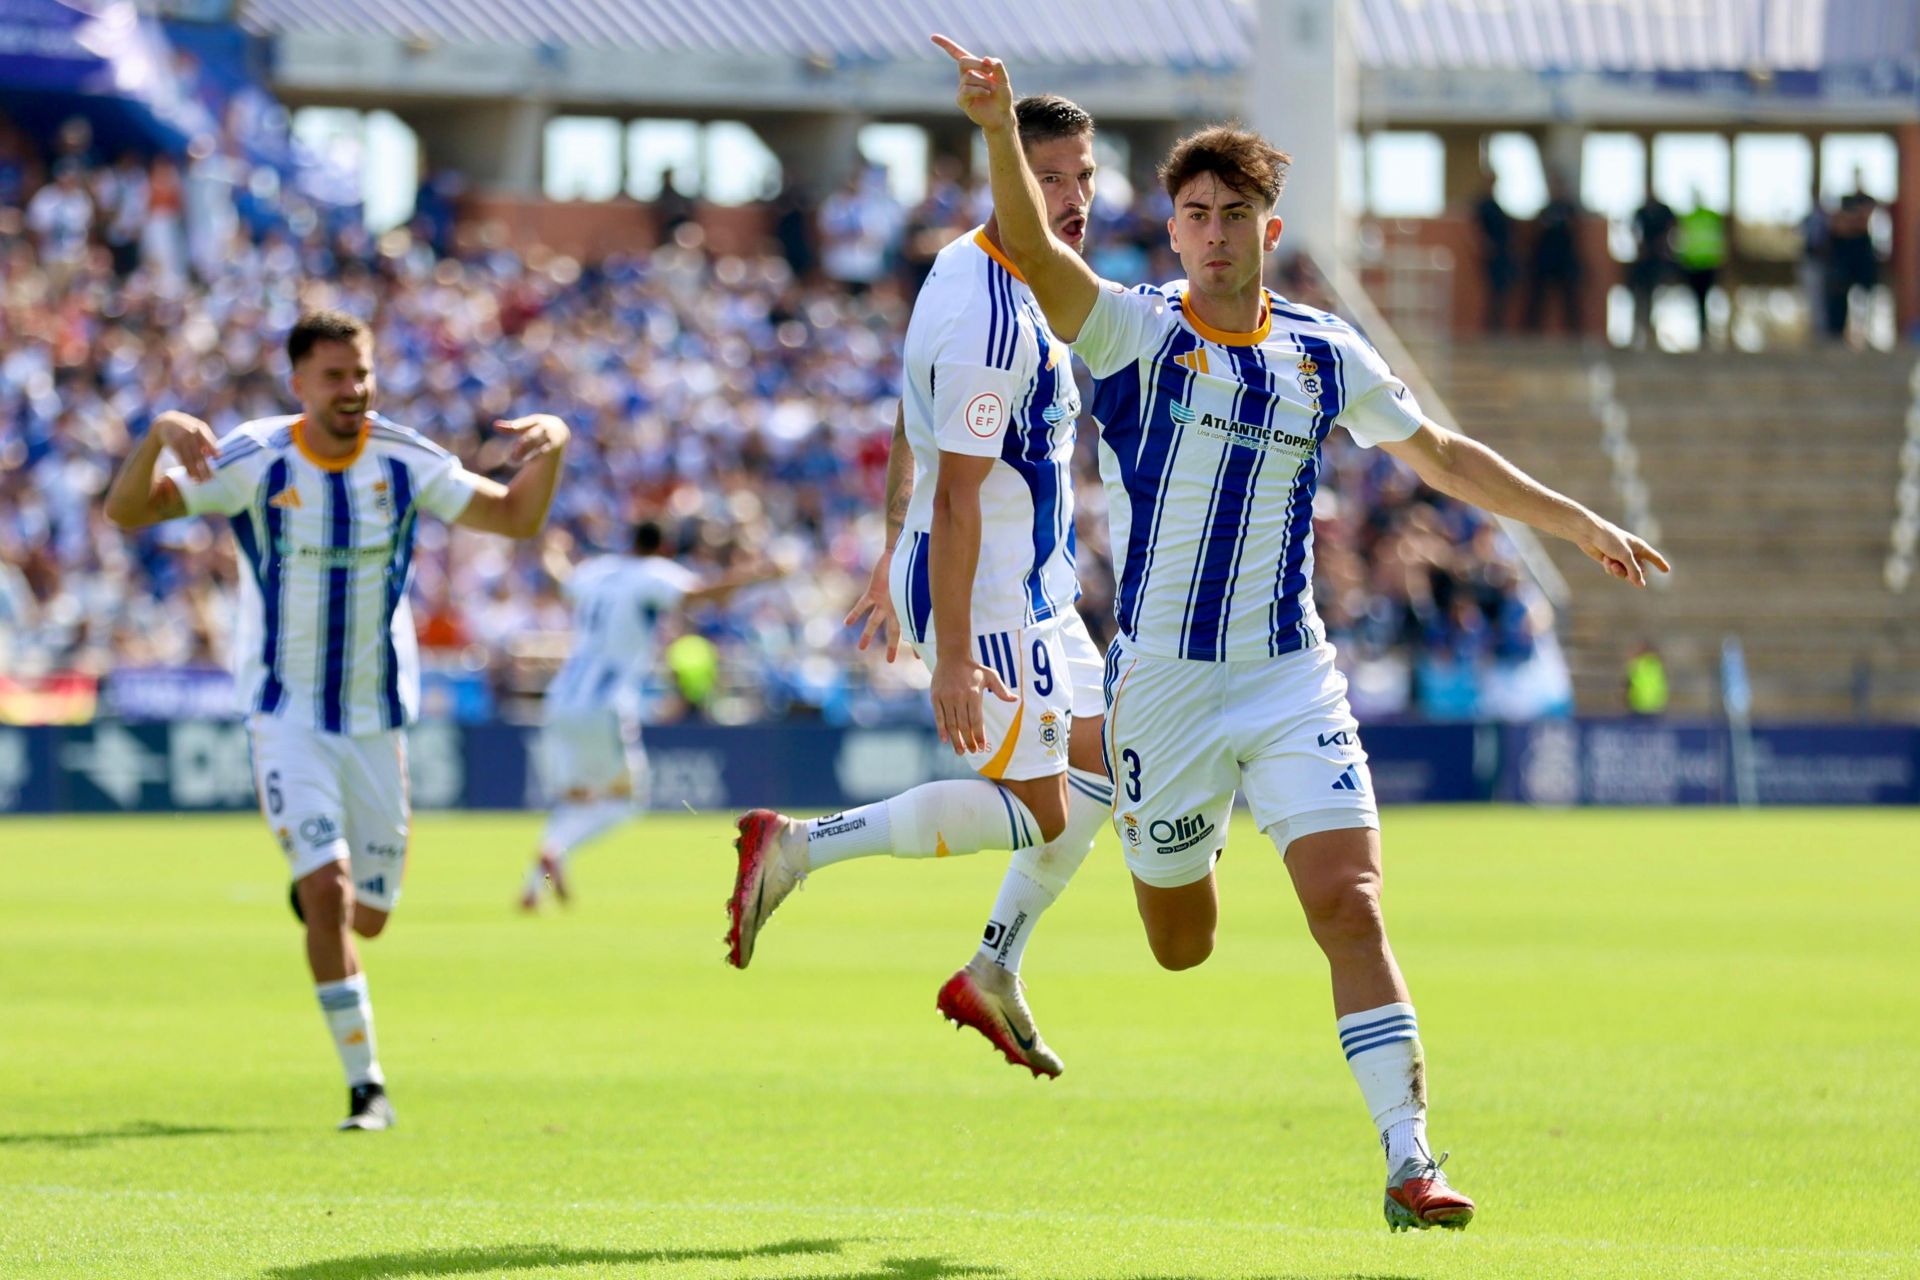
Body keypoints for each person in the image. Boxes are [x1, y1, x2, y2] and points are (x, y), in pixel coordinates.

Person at [937, 36, 1670, 1230]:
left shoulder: (1325, 351)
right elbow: (1030, 250)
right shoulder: (1132, 331)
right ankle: (1172, 819)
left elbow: (1442, 454)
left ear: (1268, 229)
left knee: (1351, 901)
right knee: (1182, 942)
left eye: (1235, 213)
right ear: (1172, 230)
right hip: (1164, 688)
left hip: (1290, 677)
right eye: (1195, 214)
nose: (1214, 232)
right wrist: (994, 128)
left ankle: (1410, 1157)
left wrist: (1575, 518)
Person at [724, 92, 1116, 1080]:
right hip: (989, 596)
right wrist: (951, 655)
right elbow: (961, 492)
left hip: (1029, 583)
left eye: (1083, 176)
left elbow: (914, 416)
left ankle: (993, 968)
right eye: (1048, 179)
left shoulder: (973, 265)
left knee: (1106, 764)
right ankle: (797, 846)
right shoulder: (993, 319)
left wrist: (889, 544)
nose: (1073, 198)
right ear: (1006, 181)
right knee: (1040, 810)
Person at [103, 309, 571, 1131]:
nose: (353, 389)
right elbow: (130, 512)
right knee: (329, 893)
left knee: (371, 917)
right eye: (334, 376)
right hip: (285, 715)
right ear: (299, 384)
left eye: (362, 373)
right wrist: (157, 435)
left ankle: (319, 886)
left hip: (374, 720)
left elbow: (515, 518)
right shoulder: (254, 457)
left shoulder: (404, 456)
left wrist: (556, 445)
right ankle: (367, 1087)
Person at [520, 522, 773, 909]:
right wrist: (757, 574)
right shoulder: (653, 573)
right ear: (664, 547)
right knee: (626, 803)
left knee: (578, 796)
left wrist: (551, 548)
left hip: (560, 698)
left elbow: (560, 580)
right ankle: (557, 849)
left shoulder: (598, 570)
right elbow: (699, 596)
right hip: (603, 703)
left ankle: (534, 885)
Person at [1524, 175, 1582, 336]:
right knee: (1537, 298)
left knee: (1570, 298)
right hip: (1545, 261)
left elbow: (1575, 232)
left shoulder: (1569, 210)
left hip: (1564, 260)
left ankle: (1574, 332)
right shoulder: (1544, 211)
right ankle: (1531, 332)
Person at [1673, 192, 1727, 347]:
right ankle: (1701, 331)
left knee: (1704, 299)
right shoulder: (1692, 218)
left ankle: (1704, 330)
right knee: (1698, 299)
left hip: (1706, 264)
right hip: (1695, 264)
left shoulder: (1709, 217)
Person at [1628, 191, 1676, 348]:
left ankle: (1657, 332)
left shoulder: (1665, 212)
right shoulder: (1640, 212)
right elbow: (1633, 229)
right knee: (1641, 296)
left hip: (1659, 262)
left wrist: (1664, 246)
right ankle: (1640, 330)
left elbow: (1674, 227)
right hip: (1644, 264)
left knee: (1659, 297)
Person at [1470, 173, 1514, 334]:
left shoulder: (1496, 205)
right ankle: (1492, 327)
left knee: (1501, 291)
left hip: (1502, 254)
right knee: (1494, 292)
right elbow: (1476, 228)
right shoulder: (1483, 204)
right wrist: (1483, 245)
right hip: (1492, 256)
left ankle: (1497, 325)